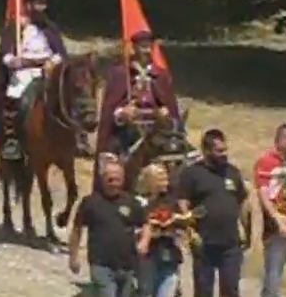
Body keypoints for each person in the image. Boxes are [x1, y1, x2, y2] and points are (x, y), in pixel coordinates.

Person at [0, 0, 68, 161]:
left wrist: (53, 61)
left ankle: (72, 134)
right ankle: (12, 139)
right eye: (36, 3)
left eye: (42, 3)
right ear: (28, 5)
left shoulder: (50, 28)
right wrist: (15, 61)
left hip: (47, 70)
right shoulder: (16, 28)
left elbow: (60, 52)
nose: (39, 7)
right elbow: (6, 54)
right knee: (15, 94)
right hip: (24, 71)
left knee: (67, 94)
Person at [177, 128, 248, 297]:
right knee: (203, 290)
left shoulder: (232, 172)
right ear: (206, 151)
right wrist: (189, 230)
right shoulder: (192, 173)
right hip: (204, 242)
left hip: (231, 243)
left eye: (225, 149)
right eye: (219, 151)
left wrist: (246, 229)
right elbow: (183, 202)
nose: (224, 154)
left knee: (231, 289)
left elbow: (242, 200)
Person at [69, 159, 152, 297]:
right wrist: (73, 257)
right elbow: (77, 230)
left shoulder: (131, 202)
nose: (114, 183)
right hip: (101, 263)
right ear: (102, 179)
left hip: (127, 265)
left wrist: (144, 241)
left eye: (117, 179)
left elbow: (145, 223)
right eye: (110, 179)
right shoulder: (90, 202)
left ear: (123, 179)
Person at [96, 30, 181, 163]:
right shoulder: (120, 73)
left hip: (157, 131)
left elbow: (172, 109)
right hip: (127, 132)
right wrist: (122, 113)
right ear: (134, 48)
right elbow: (109, 110)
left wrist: (166, 114)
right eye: (142, 47)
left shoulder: (161, 75)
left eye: (149, 47)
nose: (146, 51)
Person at [136, 162, 194, 297]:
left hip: (169, 252)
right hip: (147, 256)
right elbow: (135, 224)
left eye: (166, 178)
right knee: (146, 292)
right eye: (161, 178)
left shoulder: (171, 200)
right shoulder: (138, 201)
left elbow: (184, 219)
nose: (165, 181)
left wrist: (178, 220)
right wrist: (153, 224)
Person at [254, 123, 286, 297]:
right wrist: (277, 218)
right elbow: (263, 192)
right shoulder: (267, 160)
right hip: (276, 229)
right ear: (282, 140)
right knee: (273, 280)